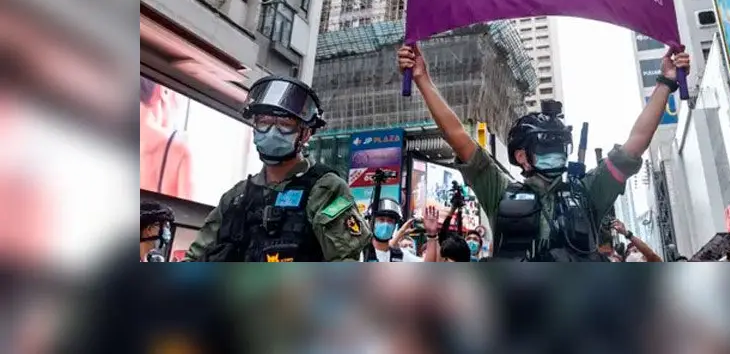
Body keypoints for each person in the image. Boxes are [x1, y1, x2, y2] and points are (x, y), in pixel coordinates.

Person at [397, 43, 690, 262]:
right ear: (522, 157)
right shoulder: (499, 191)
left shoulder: (588, 192)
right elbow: (458, 137)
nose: (556, 153)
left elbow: (635, 144)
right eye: (546, 146)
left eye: (559, 145)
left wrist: (665, 83)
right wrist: (422, 79)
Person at [183, 75, 370, 262]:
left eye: (285, 124)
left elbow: (346, 263)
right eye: (264, 122)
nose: (272, 132)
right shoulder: (236, 198)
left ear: (305, 134)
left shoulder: (325, 189)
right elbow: (194, 260)